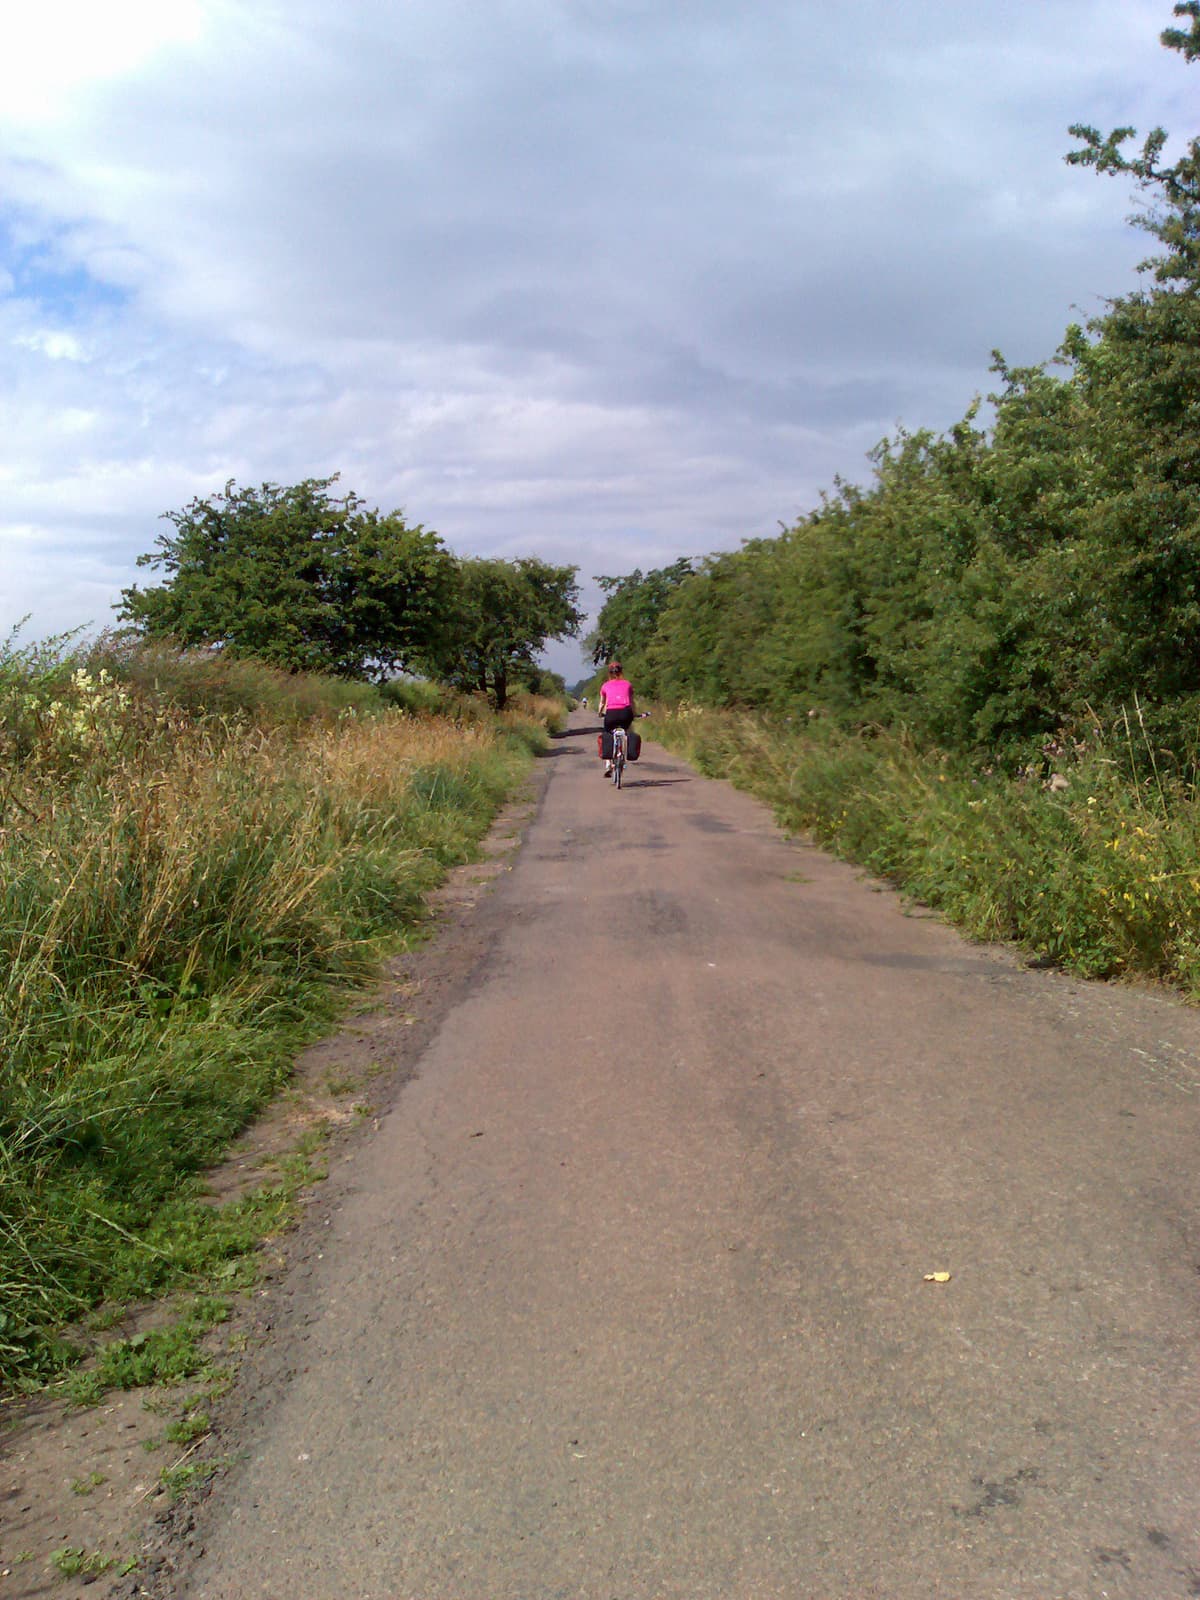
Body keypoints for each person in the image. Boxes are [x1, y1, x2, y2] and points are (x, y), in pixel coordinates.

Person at [597, 660, 635, 774]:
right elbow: (632, 702)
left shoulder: (605, 686)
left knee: (608, 734)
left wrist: (599, 712)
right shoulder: (628, 684)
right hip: (625, 712)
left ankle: (608, 763)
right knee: (627, 731)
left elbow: (602, 703)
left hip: (611, 713)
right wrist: (634, 713)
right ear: (621, 672)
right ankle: (623, 754)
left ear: (609, 673)